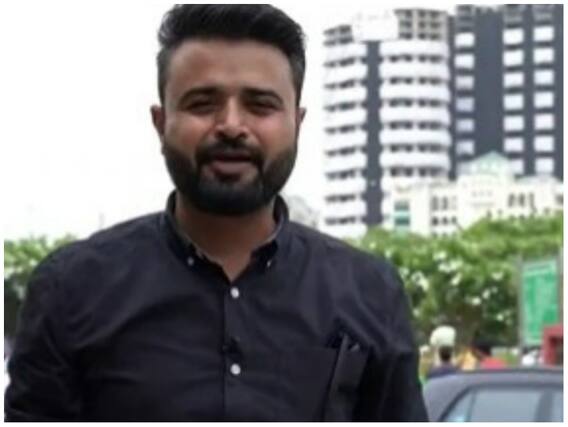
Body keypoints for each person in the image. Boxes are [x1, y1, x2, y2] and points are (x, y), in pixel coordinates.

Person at [5, 4, 427, 422]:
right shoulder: (71, 291)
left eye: (260, 105)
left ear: (297, 123)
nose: (231, 126)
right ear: (160, 122)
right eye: (202, 104)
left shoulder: (370, 294)